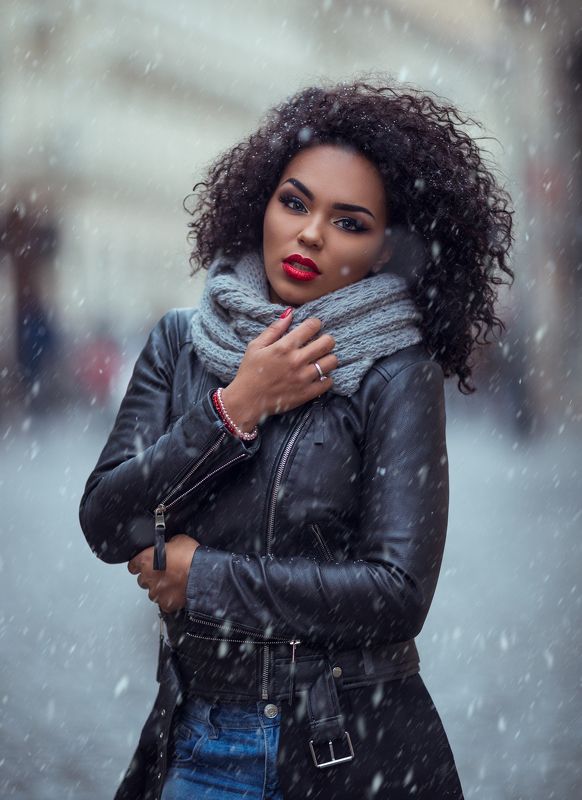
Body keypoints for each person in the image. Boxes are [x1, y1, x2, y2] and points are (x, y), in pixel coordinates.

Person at [79, 78, 514, 800]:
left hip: (343, 744)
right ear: (261, 205)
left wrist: (205, 578)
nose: (310, 233)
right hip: (194, 738)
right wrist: (237, 405)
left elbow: (398, 592)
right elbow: (104, 520)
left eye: (349, 222)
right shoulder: (180, 343)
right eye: (294, 202)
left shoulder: (395, 371)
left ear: (382, 250)